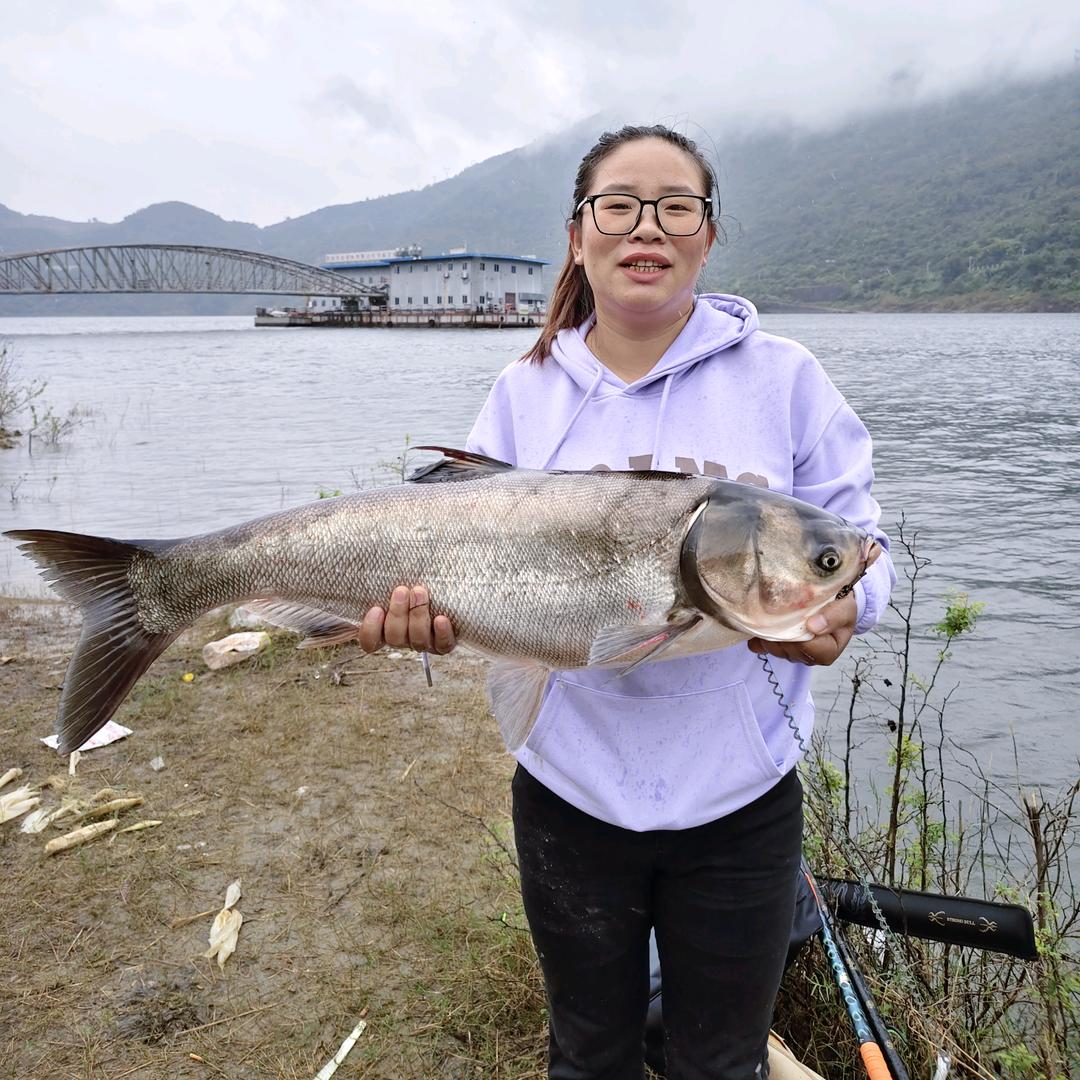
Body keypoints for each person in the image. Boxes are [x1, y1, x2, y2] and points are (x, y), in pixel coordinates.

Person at [359, 124, 895, 1080]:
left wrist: (850, 604)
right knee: (590, 1055)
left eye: (675, 207)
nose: (646, 227)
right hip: (571, 794)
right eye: (619, 205)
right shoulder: (527, 389)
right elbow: (453, 536)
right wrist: (420, 627)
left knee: (721, 1062)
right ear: (579, 235)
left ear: (708, 235)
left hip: (742, 800)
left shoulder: (784, 379)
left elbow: (858, 542)